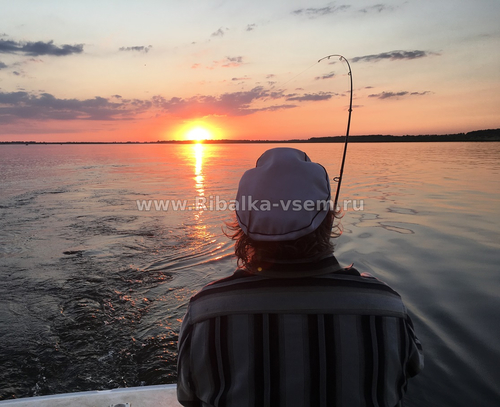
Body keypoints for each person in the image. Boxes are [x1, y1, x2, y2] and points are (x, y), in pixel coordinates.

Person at [177, 147, 423, 407]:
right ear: (329, 219)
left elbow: (187, 396)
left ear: (240, 224)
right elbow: (412, 368)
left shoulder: (203, 313)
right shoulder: (389, 307)